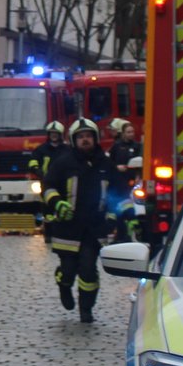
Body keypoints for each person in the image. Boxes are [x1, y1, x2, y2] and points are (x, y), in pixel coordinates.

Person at [41, 118, 115, 323]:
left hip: (93, 228)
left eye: (88, 136)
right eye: (81, 137)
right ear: (74, 140)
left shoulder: (105, 163)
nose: (85, 140)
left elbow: (119, 191)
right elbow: (47, 186)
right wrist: (57, 203)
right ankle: (64, 286)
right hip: (67, 228)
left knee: (88, 270)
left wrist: (114, 215)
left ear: (95, 138)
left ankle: (86, 308)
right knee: (68, 271)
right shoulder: (64, 162)